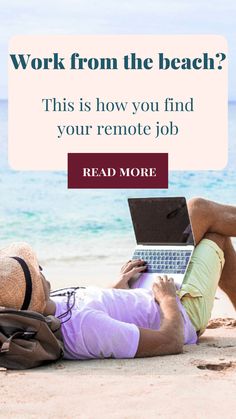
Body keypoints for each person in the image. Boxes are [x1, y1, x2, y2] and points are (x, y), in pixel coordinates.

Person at [0, 197, 236, 360]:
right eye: (36, 270)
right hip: (182, 310)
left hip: (144, 290)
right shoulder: (87, 328)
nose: (41, 269)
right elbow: (170, 341)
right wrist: (168, 300)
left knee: (192, 214)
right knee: (209, 226)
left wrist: (118, 285)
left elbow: (90, 305)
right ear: (37, 288)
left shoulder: (52, 306)